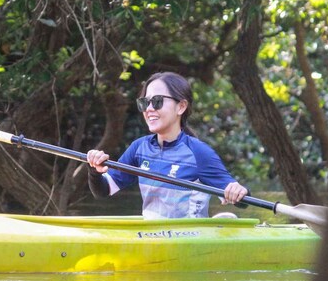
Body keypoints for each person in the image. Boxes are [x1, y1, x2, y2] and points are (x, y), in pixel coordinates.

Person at [86, 72, 248, 219]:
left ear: (181, 106)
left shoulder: (199, 153)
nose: (149, 109)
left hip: (190, 240)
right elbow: (104, 190)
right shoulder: (139, 149)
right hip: (152, 238)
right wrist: (94, 171)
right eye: (145, 102)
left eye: (157, 101)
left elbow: (243, 200)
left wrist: (238, 192)